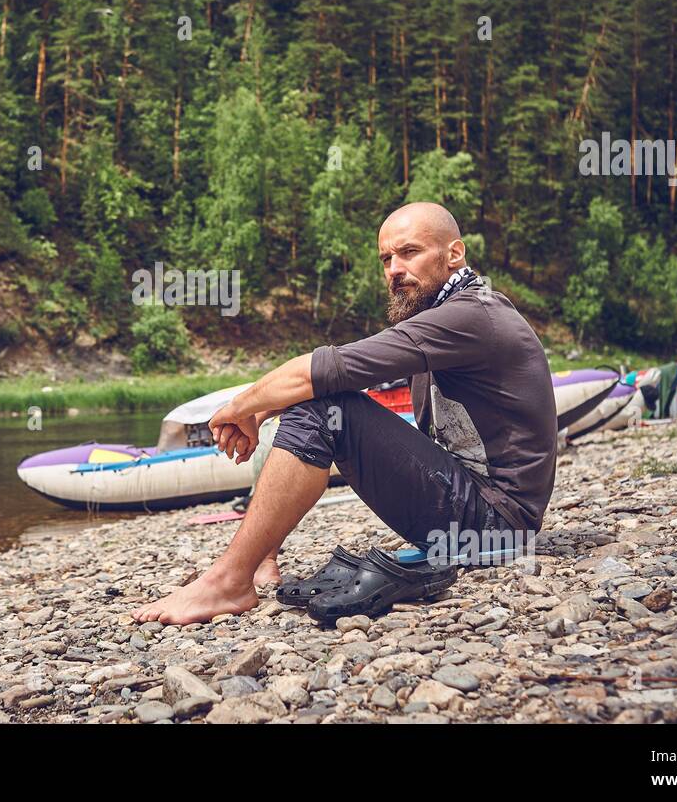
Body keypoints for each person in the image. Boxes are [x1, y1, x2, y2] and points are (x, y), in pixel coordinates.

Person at [132, 201, 556, 625]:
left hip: (497, 524)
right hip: (473, 513)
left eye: (409, 253)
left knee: (323, 406)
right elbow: (346, 377)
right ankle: (261, 559)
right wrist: (265, 411)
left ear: (454, 254)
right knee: (318, 402)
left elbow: (327, 368)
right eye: (386, 259)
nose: (393, 269)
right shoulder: (450, 314)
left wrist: (242, 406)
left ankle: (227, 582)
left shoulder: (471, 316)